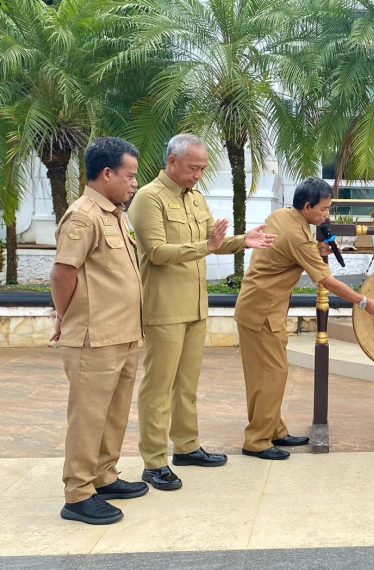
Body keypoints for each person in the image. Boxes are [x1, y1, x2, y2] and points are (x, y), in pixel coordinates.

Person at [128, 133, 276, 490]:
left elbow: (215, 243)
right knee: (158, 387)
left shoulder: (195, 198)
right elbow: (158, 252)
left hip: (195, 306)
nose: (198, 175)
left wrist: (245, 240)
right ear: (173, 162)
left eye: (203, 168)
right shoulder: (148, 199)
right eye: (194, 168)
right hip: (164, 308)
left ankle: (187, 446)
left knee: (188, 385)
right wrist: (205, 246)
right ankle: (153, 461)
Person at [234, 176, 374, 459]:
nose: (326, 215)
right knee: (270, 375)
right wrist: (364, 302)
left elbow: (285, 253)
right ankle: (257, 441)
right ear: (307, 207)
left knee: (267, 375)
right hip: (261, 312)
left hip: (262, 307)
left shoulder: (281, 216)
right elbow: (326, 281)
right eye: (324, 209)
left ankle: (274, 429)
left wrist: (317, 250)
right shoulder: (298, 235)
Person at [52, 137, 148, 524]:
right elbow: (63, 274)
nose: (133, 184)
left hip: (122, 334)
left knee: (114, 414)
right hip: (93, 337)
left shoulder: (116, 214)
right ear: (106, 174)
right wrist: (67, 316)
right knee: (89, 416)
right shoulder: (83, 216)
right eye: (129, 176)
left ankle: (103, 476)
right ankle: (78, 493)